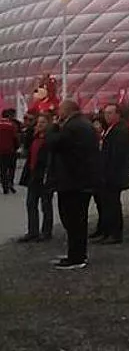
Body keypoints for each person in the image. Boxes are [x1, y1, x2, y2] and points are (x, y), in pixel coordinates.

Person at [45, 99, 100, 269]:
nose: (58, 113)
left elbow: (54, 143)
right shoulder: (84, 125)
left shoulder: (73, 127)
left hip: (73, 181)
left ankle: (76, 257)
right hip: (81, 180)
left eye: (60, 110)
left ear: (67, 111)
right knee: (77, 220)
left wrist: (53, 127)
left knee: (73, 220)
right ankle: (76, 254)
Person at [92, 102, 129, 244]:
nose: (107, 116)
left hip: (113, 175)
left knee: (113, 204)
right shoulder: (111, 129)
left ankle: (115, 233)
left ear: (117, 114)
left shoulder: (120, 131)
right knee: (108, 204)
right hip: (108, 174)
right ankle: (107, 231)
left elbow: (117, 155)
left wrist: (108, 172)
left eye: (110, 113)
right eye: (106, 113)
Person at [19, 112, 53, 241]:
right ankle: (32, 231)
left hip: (43, 175)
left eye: (43, 123)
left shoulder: (50, 139)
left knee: (45, 205)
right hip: (33, 175)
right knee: (31, 204)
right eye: (38, 123)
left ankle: (46, 232)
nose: (40, 125)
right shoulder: (34, 137)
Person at [0, 108, 19, 194]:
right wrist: (16, 147)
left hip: (1, 151)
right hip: (10, 150)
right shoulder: (12, 125)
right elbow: (15, 138)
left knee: (3, 169)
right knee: (11, 167)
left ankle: (5, 186)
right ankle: (10, 182)